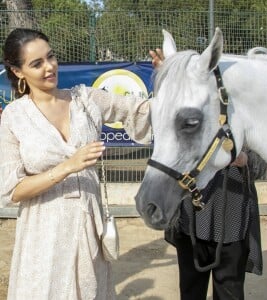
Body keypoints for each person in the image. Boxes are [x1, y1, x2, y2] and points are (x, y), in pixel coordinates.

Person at [0, 28, 154, 300]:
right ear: (17, 71)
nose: (49, 67)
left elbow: (142, 111)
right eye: (37, 64)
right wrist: (67, 167)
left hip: (86, 228)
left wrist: (168, 78)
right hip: (42, 235)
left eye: (51, 57)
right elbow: (11, 191)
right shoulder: (14, 117)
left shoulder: (86, 100)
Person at [150, 49, 267, 300]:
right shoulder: (196, 113)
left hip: (232, 219)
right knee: (191, 291)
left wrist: (244, 159)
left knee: (230, 292)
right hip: (192, 219)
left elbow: (261, 166)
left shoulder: (245, 115)